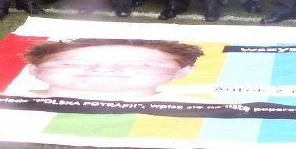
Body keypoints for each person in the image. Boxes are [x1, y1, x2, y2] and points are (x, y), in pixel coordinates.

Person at [17, 38, 204, 101]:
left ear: (183, 71)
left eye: (138, 64)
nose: (103, 70)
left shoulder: (204, 109)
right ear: (33, 69)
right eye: (71, 63)